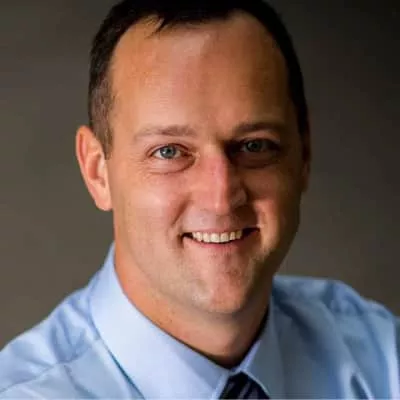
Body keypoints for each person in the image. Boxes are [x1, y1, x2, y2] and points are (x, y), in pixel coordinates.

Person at [0, 0, 398, 398]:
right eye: (169, 151)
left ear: (303, 154)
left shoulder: (381, 359)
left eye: (254, 145)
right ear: (97, 171)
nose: (221, 198)